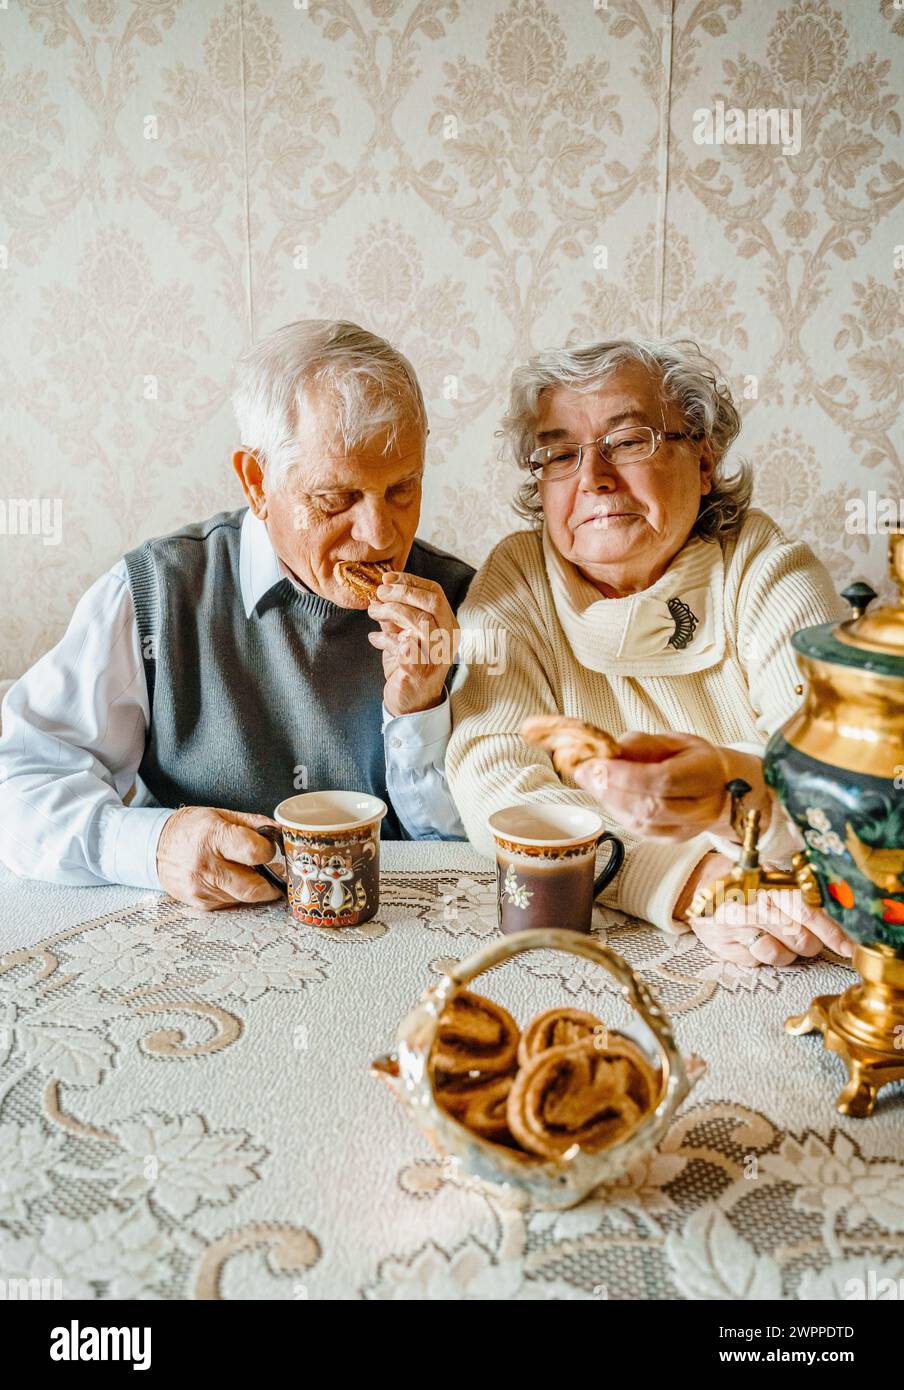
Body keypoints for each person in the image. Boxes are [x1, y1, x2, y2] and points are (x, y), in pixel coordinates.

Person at [0, 320, 472, 910]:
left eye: (403, 489)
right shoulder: (157, 594)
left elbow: (468, 855)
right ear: (257, 482)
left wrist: (422, 708)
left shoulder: (463, 603)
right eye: (335, 499)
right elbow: (20, 784)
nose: (380, 534)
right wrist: (156, 844)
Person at [446, 336, 853, 967]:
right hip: (602, 953)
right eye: (560, 454)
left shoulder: (768, 570)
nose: (594, 478)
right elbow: (496, 785)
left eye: (629, 441)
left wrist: (728, 819)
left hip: (800, 938)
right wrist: (691, 878)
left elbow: (830, 789)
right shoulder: (517, 579)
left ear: (704, 458)